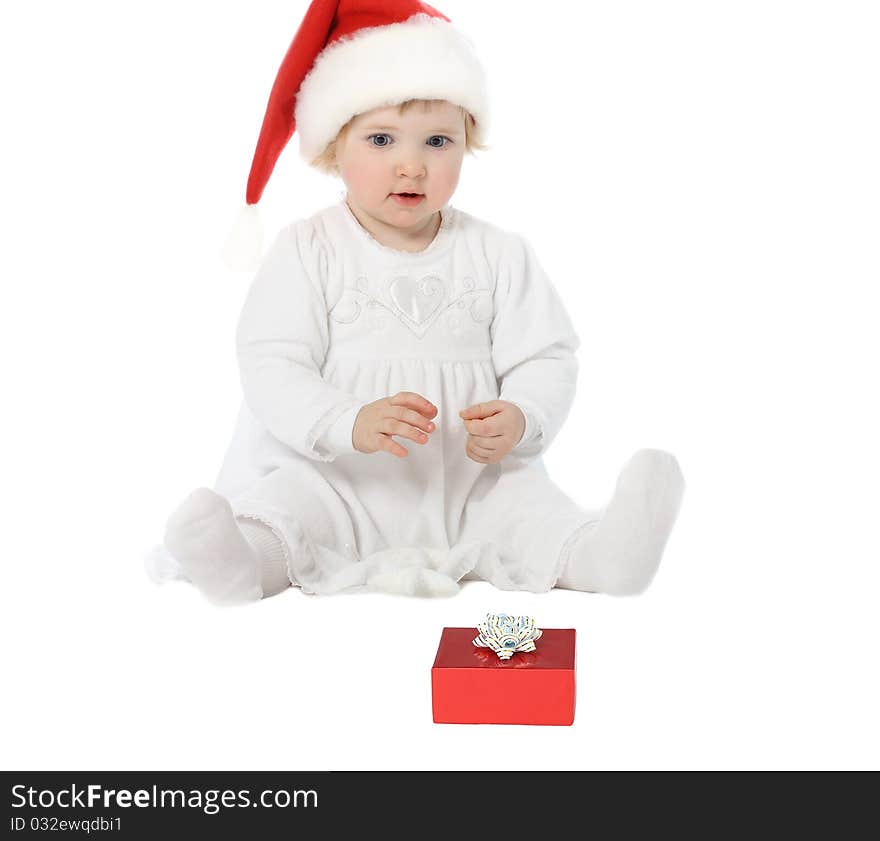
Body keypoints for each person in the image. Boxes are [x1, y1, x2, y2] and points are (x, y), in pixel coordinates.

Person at [156, 0, 685, 605]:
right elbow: (271, 364)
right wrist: (346, 421)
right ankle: (239, 561)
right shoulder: (309, 249)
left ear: (468, 145)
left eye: (438, 140)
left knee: (527, 509)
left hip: (469, 477)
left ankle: (604, 555)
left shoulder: (496, 253)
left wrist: (523, 416)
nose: (411, 164)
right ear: (334, 147)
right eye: (381, 139)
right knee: (291, 511)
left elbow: (547, 356)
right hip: (339, 476)